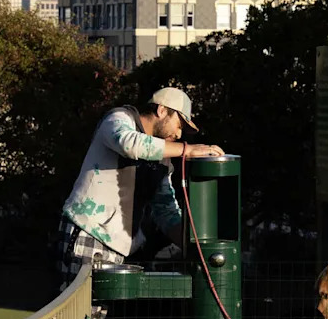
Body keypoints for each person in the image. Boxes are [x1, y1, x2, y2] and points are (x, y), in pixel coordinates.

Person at [56, 87, 224, 291]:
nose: (179, 134)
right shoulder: (119, 118)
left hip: (120, 247)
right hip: (88, 231)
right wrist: (187, 151)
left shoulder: (163, 159)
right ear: (162, 110)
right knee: (80, 316)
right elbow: (129, 144)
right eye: (179, 124)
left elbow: (166, 211)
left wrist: (199, 250)